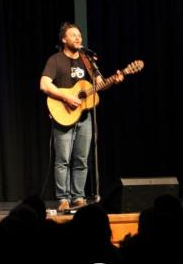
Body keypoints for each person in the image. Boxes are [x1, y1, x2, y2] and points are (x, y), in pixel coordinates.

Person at [39, 22, 123, 213]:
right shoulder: (55, 60)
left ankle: (78, 197)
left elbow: (99, 84)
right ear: (64, 39)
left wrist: (114, 80)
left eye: (80, 35)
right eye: (73, 35)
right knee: (63, 160)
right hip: (63, 115)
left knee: (81, 159)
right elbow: (44, 85)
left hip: (84, 117)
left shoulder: (87, 60)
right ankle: (63, 198)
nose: (78, 38)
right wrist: (67, 96)